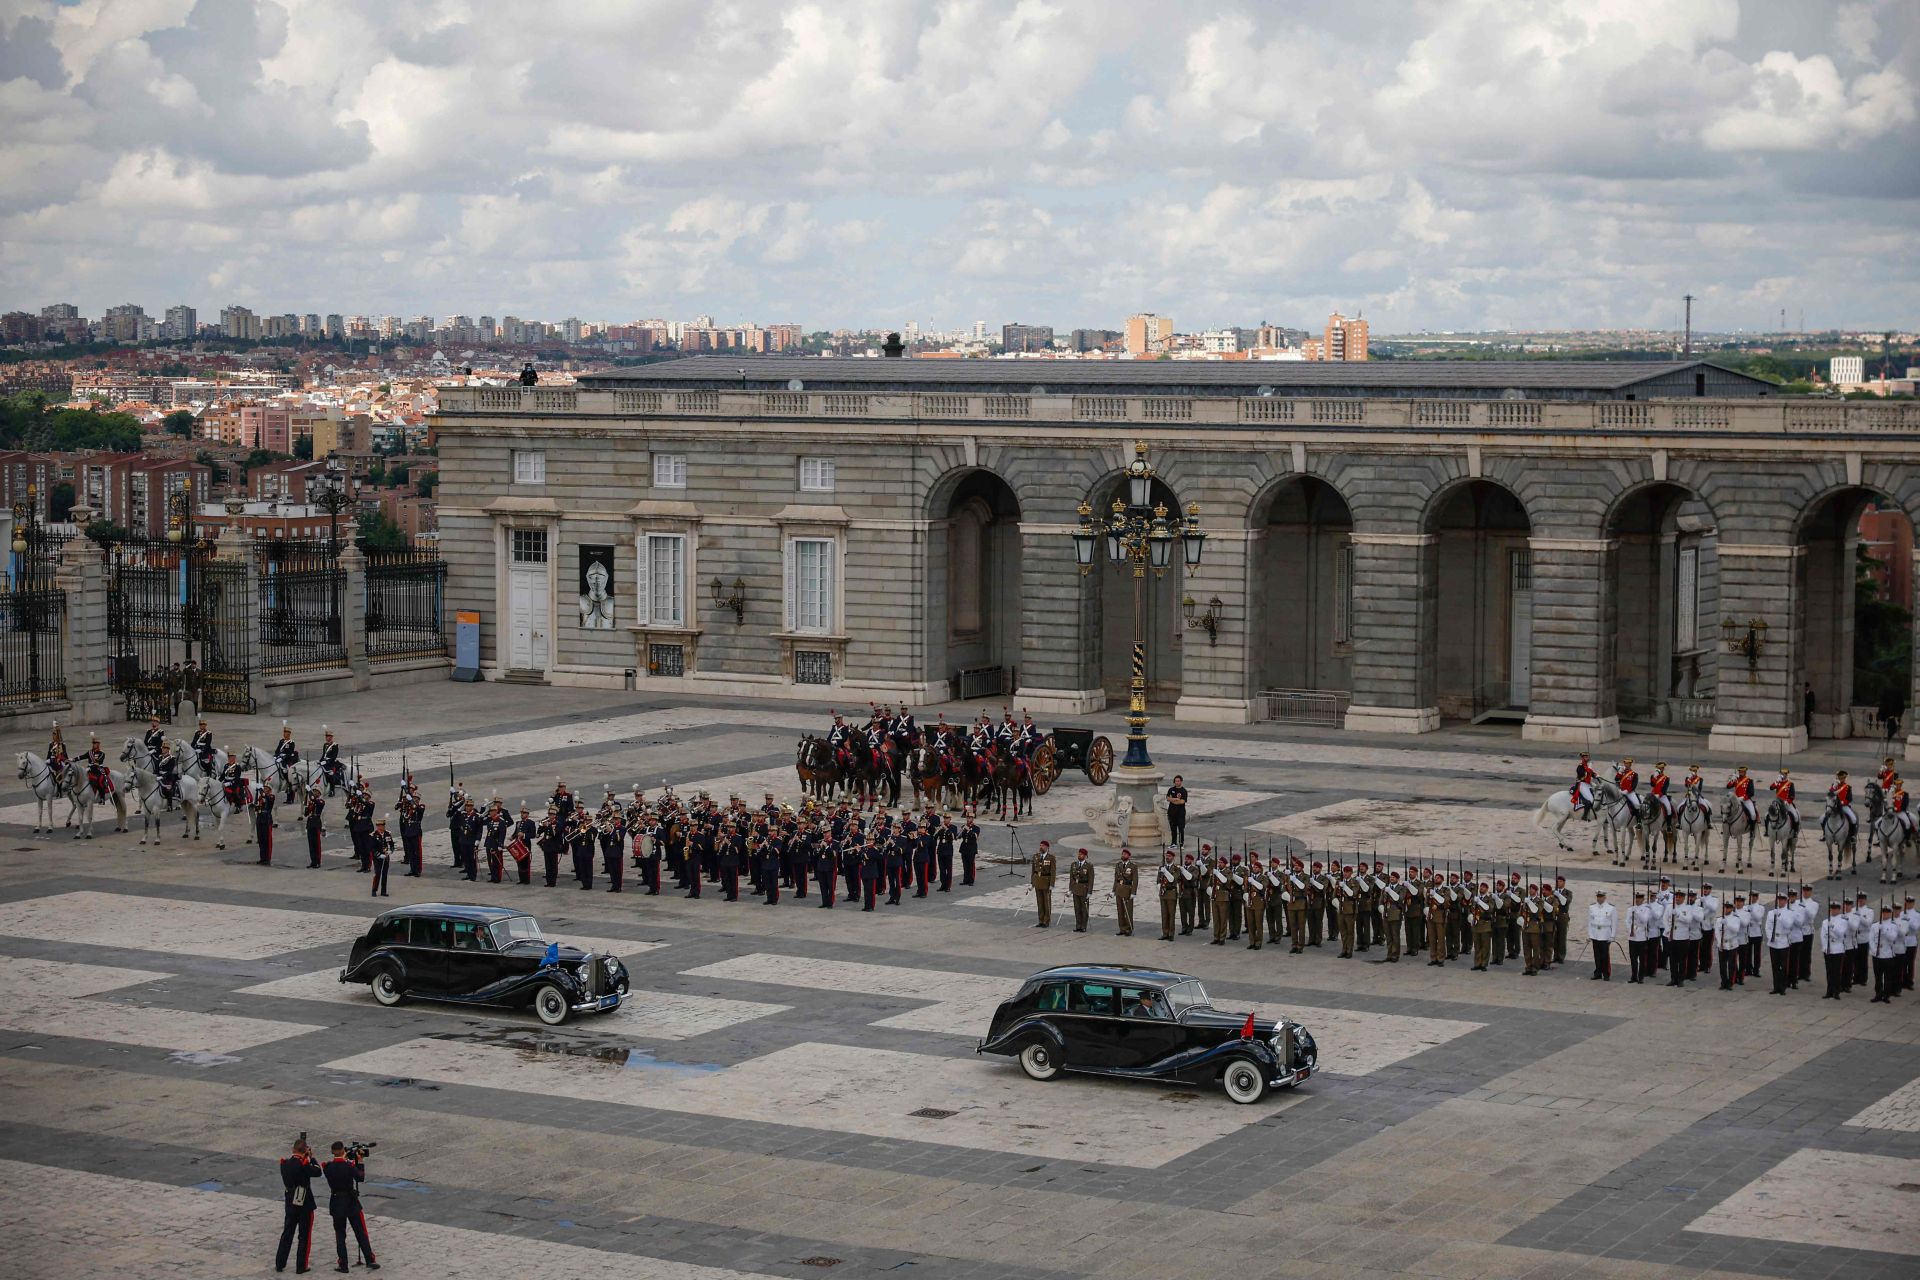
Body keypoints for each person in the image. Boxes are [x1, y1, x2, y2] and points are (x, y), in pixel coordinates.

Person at [321, 1141, 379, 1273]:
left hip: (336, 1202)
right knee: (360, 1232)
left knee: (340, 1235)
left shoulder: (328, 1167)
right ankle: (369, 1259)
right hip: (351, 1202)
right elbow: (360, 1178)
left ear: (332, 1152)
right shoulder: (349, 1166)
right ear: (343, 1151)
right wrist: (360, 1161)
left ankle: (343, 1264)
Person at [276, 1137, 321, 1274]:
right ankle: (301, 1265)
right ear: (305, 1150)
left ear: (293, 1150)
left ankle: (280, 1262)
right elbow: (318, 1171)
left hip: (290, 1201)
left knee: (287, 1233)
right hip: (304, 1203)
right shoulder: (305, 1165)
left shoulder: (285, 1164)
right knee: (304, 1235)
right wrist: (312, 1158)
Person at [1068, 848, 1095, 933]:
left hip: (1084, 888)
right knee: (1077, 908)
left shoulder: (1089, 866)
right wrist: (1070, 889)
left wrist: (1090, 891)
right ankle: (1078, 925)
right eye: (1079, 854)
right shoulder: (1074, 865)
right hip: (1076, 888)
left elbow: (1091, 879)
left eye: (1082, 854)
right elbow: (1071, 878)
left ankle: (1084, 926)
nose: (1080, 855)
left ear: (1086, 856)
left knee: (1084, 909)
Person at [1112, 848, 1138, 936]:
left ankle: (1129, 929)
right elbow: (1116, 879)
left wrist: (1133, 892)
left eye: (1125, 854)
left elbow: (1135, 880)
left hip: (1127, 889)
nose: (1123, 855)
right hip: (1119, 889)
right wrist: (1113, 891)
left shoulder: (1133, 866)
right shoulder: (1118, 865)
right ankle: (1122, 928)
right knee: (1120, 911)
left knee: (1128, 911)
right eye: (1122, 854)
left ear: (1128, 856)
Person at [1029, 840, 1055, 927]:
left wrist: (1052, 884)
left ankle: (1046, 921)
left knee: (1046, 902)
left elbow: (1053, 872)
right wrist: (1032, 883)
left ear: (1047, 847)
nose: (1041, 847)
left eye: (1043, 846)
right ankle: (1040, 920)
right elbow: (1033, 871)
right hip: (1037, 882)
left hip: (1046, 882)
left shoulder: (1051, 858)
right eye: (1040, 845)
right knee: (1039, 902)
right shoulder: (1036, 856)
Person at [253, 779, 276, 866]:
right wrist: (255, 806)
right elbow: (259, 806)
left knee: (267, 840)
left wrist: (261, 790)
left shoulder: (271, 796)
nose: (265, 789)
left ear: (269, 790)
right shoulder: (261, 797)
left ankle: (268, 858)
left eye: (267, 788)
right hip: (260, 819)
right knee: (261, 839)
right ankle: (262, 858)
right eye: (264, 788)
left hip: (267, 819)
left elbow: (267, 798)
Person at [368, 817, 392, 898]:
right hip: (378, 857)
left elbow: (391, 845)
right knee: (377, 873)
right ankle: (374, 890)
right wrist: (379, 855)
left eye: (381, 826)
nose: (379, 827)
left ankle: (383, 891)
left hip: (386, 857)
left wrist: (390, 851)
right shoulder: (373, 835)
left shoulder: (387, 834)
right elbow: (372, 848)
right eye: (378, 826)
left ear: (384, 826)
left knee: (385, 874)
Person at [1164, 776, 1188, 847]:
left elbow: (1182, 801)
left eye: (1178, 781)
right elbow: (1168, 798)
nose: (1177, 782)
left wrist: (1172, 800)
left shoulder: (1183, 791)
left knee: (1181, 828)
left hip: (1180, 813)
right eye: (1176, 781)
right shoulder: (1171, 789)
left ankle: (1181, 843)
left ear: (1181, 781)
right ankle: (1173, 843)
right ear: (1174, 782)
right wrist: (1175, 799)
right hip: (1172, 812)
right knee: (1173, 828)